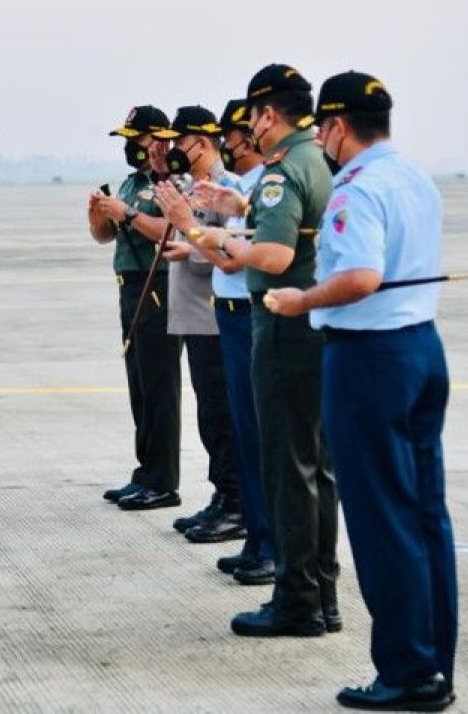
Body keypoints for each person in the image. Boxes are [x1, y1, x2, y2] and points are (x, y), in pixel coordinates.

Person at [266, 72, 457, 711]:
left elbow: (361, 276)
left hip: (371, 359)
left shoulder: (358, 186)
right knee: (426, 515)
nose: (321, 139)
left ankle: (406, 672)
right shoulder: (414, 177)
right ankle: (433, 663)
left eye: (322, 128)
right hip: (422, 349)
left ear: (338, 127)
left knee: (381, 519)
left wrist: (302, 299)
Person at [189, 65, 340, 637]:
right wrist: (241, 208)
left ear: (268, 115)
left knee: (288, 466)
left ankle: (297, 601)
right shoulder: (318, 161)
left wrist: (215, 235)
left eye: (252, 118)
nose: (251, 129)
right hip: (319, 324)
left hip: (282, 324)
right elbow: (296, 227)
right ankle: (321, 593)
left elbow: (275, 256)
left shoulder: (282, 171)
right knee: (318, 465)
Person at [154, 100, 275, 583]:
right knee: (232, 425)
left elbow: (232, 257)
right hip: (222, 312)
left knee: (247, 428)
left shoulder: (256, 186)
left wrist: (189, 229)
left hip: (241, 310)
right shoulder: (239, 188)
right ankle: (253, 532)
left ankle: (259, 532)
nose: (231, 141)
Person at [150, 106, 242, 544]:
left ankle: (235, 502)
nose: (174, 150)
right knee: (210, 416)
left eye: (180, 142)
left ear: (202, 143)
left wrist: (191, 249)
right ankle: (222, 496)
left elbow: (232, 248)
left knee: (222, 416)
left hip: (213, 317)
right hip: (194, 315)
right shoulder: (192, 188)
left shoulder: (223, 189)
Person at [89, 106, 183, 511]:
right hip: (130, 287)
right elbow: (104, 236)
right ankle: (146, 472)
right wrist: (100, 216)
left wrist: (127, 214)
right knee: (140, 384)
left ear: (158, 140)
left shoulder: (170, 185)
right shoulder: (131, 184)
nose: (131, 146)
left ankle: (163, 481)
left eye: (137, 138)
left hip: (158, 286)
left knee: (159, 385)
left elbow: (172, 230)